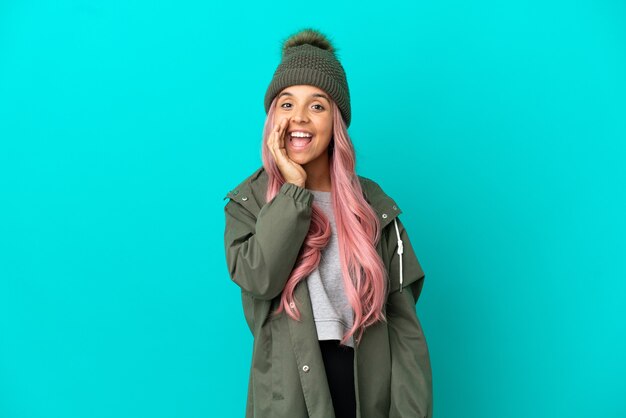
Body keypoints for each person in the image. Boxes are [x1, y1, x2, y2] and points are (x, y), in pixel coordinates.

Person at [223, 28, 433, 418]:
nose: (299, 118)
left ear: (336, 119)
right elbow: (259, 278)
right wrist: (293, 190)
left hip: (365, 389)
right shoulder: (248, 202)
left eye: (317, 106)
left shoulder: (373, 205)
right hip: (287, 394)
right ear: (272, 117)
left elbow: (405, 330)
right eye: (286, 104)